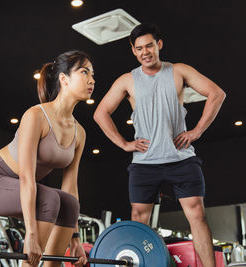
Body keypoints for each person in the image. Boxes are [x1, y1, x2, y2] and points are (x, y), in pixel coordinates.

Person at [93, 24, 225, 267]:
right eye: (139, 48)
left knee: (197, 215)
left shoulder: (179, 71)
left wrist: (197, 131)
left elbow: (217, 94)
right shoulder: (127, 80)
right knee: (138, 220)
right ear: (133, 50)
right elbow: (100, 113)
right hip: (145, 164)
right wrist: (123, 144)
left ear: (159, 45)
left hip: (181, 158)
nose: (145, 52)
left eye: (149, 46)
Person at [0, 50, 95, 267]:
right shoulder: (36, 116)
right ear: (64, 79)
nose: (92, 80)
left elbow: (70, 187)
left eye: (92, 74)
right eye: (84, 72)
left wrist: (76, 240)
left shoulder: (79, 133)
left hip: (20, 186)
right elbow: (27, 178)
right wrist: (32, 236)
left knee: (69, 203)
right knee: (49, 200)